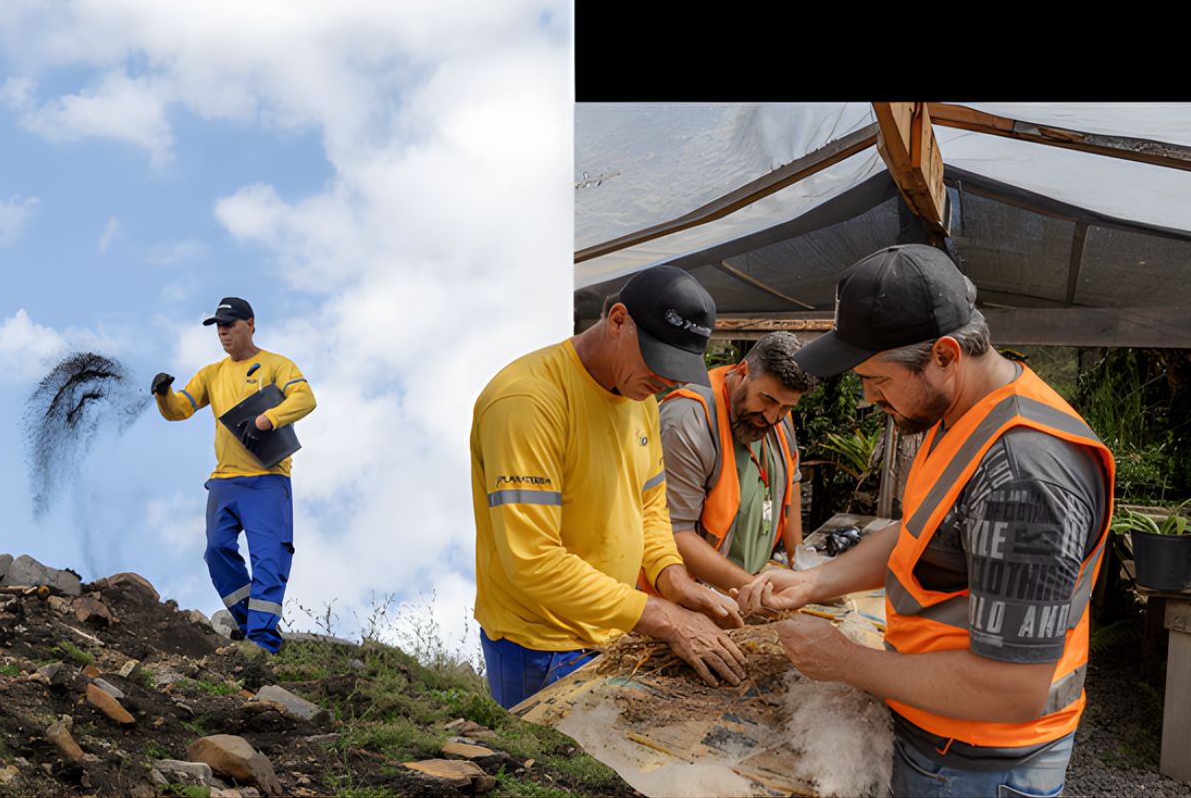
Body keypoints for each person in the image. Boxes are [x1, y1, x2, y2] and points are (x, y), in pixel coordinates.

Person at [736, 245, 1114, 797]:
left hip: (977, 761)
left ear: (943, 354)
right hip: (941, 734)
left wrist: (845, 660)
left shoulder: (1024, 478)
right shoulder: (959, 413)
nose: (866, 397)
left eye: (876, 379)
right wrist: (815, 583)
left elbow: (1010, 688)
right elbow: (921, 530)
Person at [471, 266, 748, 709]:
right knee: (552, 775)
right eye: (659, 362)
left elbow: (650, 507)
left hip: (610, 628)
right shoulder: (527, 402)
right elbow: (532, 561)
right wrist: (662, 617)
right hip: (540, 646)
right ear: (618, 320)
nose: (666, 380)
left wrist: (672, 580)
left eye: (677, 369)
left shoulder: (638, 399)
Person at [152, 296, 316, 653]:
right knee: (216, 550)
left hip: (268, 480)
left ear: (251, 324)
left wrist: (267, 418)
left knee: (268, 557)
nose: (223, 332)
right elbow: (180, 409)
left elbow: (305, 399)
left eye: (230, 325)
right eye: (219, 327)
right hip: (225, 482)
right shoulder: (213, 373)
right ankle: (248, 622)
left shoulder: (276, 364)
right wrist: (163, 393)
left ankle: (262, 641)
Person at [659, 332, 817, 593]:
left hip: (746, 583)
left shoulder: (779, 418)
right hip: (690, 591)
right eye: (767, 400)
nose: (771, 417)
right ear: (743, 371)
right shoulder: (688, 421)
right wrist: (756, 589)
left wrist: (797, 561)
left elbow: (793, 479)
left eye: (786, 408)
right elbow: (675, 532)